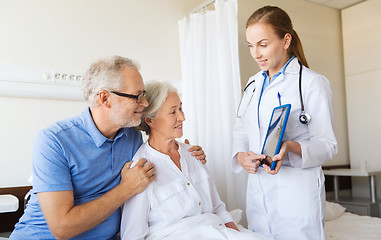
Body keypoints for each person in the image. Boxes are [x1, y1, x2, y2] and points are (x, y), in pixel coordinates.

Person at [10, 56, 206, 240]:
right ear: (104, 99)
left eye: (144, 94)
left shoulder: (131, 136)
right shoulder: (54, 141)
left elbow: (159, 144)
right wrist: (126, 189)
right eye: (137, 96)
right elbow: (62, 228)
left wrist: (183, 155)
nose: (144, 103)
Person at [232, 6, 338, 240]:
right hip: (258, 189)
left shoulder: (312, 83)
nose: (256, 54)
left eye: (263, 44)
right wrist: (241, 156)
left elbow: (328, 144)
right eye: (251, 46)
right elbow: (241, 128)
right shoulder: (253, 84)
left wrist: (291, 147)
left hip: (297, 193)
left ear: (286, 40)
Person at [120, 81, 268, 240]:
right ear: (150, 120)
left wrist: (237, 235)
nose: (182, 117)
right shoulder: (141, 169)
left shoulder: (192, 154)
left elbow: (218, 208)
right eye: (173, 112)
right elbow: (132, 235)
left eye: (181, 109)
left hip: (217, 231)